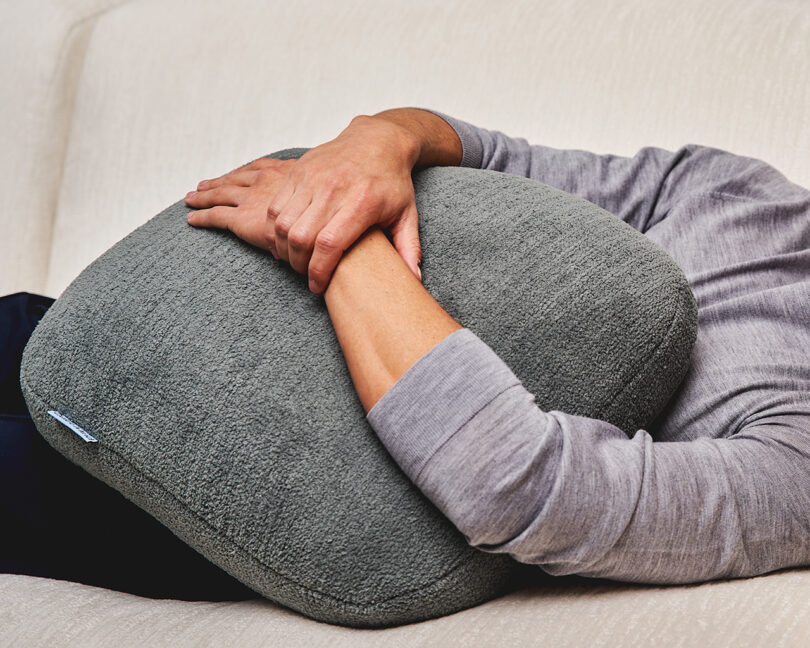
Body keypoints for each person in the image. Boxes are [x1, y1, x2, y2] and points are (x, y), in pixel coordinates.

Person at [3, 107, 809, 595]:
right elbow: (497, 160)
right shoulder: (740, 195)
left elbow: (523, 486)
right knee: (18, 324)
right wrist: (378, 143)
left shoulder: (799, 466)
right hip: (237, 322)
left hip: (277, 475)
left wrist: (331, 239)